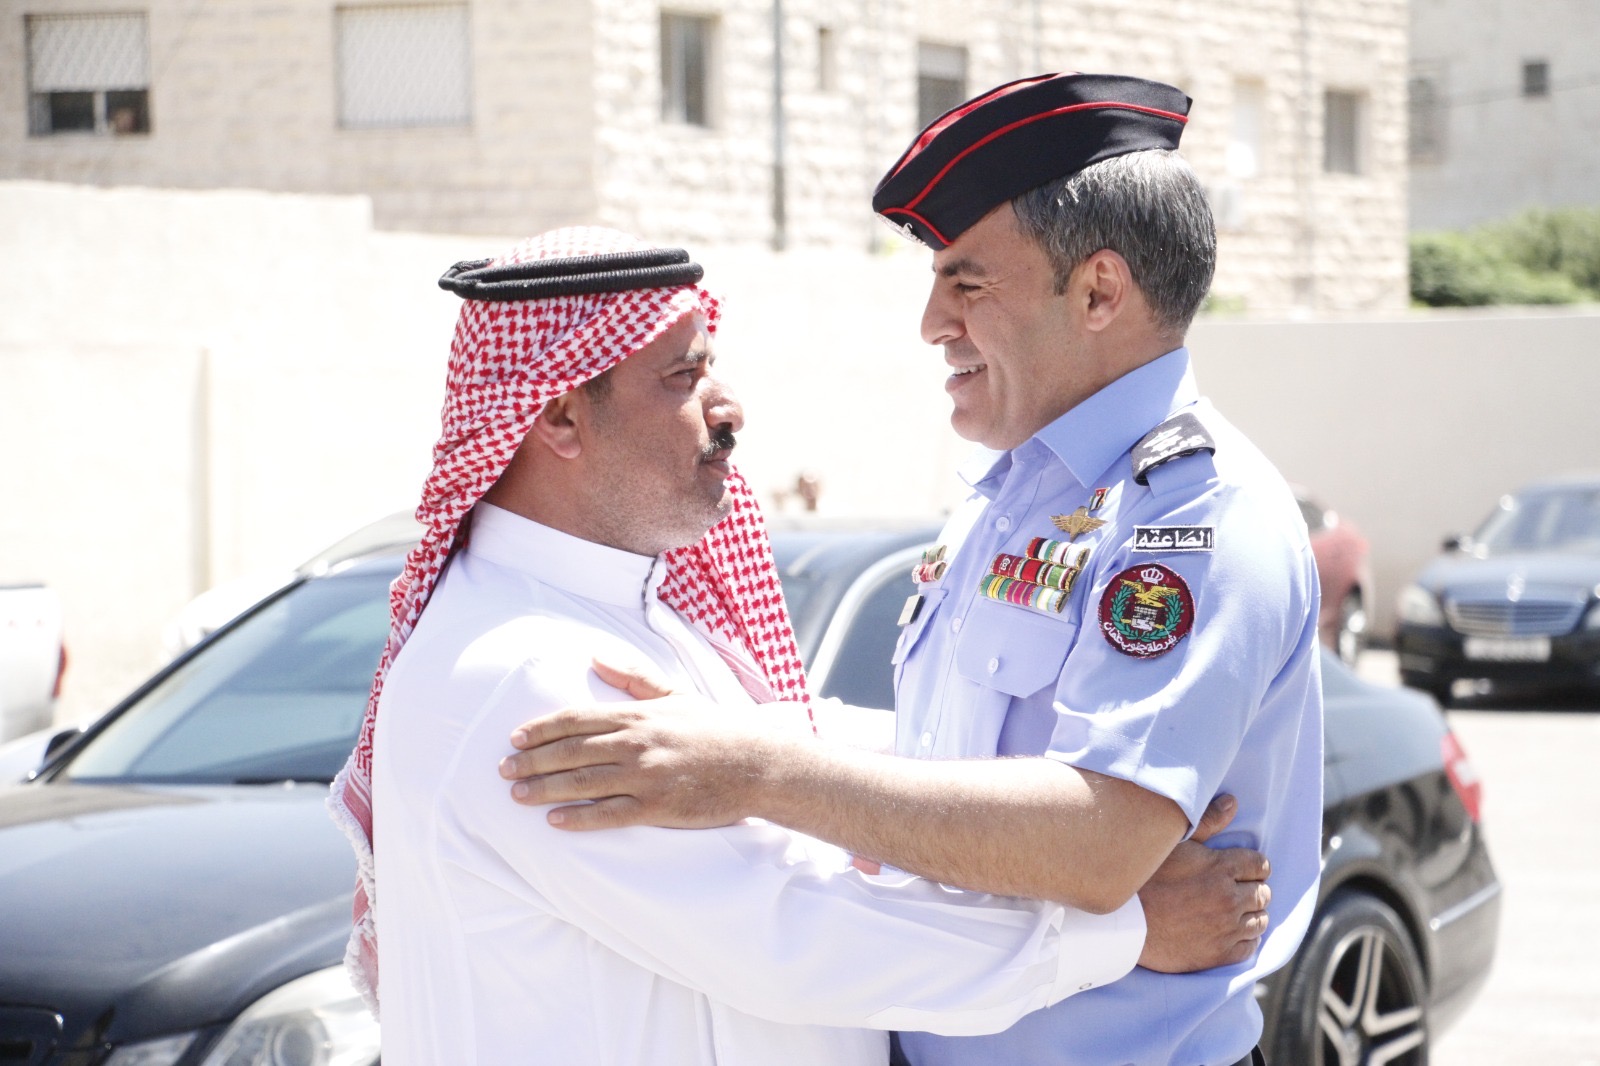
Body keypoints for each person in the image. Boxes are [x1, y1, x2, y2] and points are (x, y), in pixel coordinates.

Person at [498, 73, 1324, 1066]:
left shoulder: (1191, 512)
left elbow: (1100, 844)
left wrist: (756, 772)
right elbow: (951, 753)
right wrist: (738, 731)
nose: (934, 322)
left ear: (1099, 291)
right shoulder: (1013, 488)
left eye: (967, 284)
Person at [327, 226, 1272, 1065]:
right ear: (561, 417)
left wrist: (1077, 798)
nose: (728, 407)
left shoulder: (627, 623)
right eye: (684, 376)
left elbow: (801, 747)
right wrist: (1128, 931)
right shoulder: (527, 673)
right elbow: (799, 934)